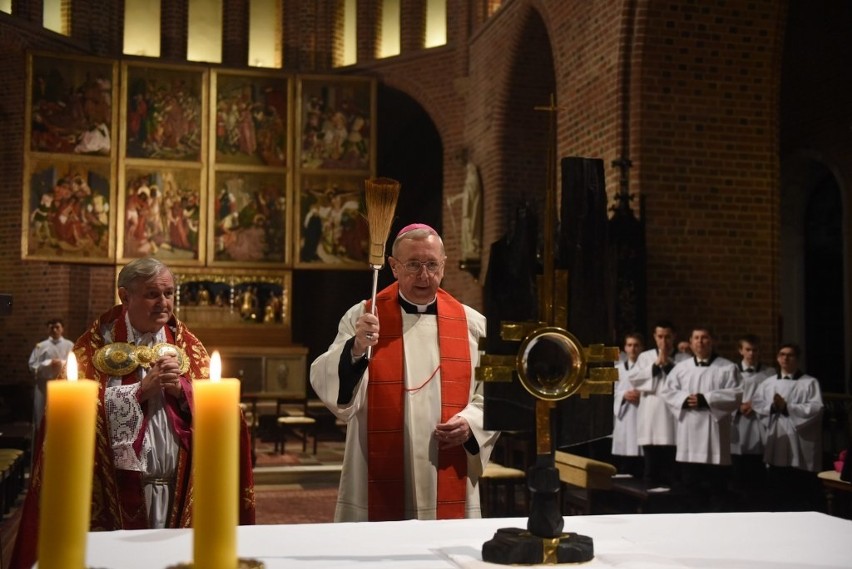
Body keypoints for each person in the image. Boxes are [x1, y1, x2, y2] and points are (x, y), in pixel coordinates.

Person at [11, 257, 256, 569]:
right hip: (115, 489)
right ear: (124, 296)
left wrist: (183, 392)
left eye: (169, 294)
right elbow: (69, 419)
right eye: (153, 294)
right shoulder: (93, 348)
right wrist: (140, 392)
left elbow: (225, 415)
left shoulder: (190, 347)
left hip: (179, 493)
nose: (164, 303)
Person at [310, 224, 499, 522]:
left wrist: (471, 424)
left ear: (444, 265)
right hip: (377, 467)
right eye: (413, 265)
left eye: (432, 264)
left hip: (446, 463)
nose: (424, 275)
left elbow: (495, 391)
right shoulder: (364, 318)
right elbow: (327, 381)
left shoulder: (472, 324)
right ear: (394, 267)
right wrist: (357, 348)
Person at [662, 327, 742, 512]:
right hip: (689, 434)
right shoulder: (681, 368)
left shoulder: (727, 367)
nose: (700, 341)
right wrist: (684, 399)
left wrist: (706, 399)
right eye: (696, 338)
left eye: (704, 338)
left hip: (714, 435)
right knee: (690, 486)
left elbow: (735, 394)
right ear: (690, 342)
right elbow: (668, 392)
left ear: (712, 341)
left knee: (716, 487)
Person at [752, 343, 824, 511]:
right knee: (778, 481)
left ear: (797, 359)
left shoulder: (809, 382)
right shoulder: (768, 383)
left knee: (799, 483)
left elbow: (816, 408)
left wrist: (787, 407)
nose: (785, 358)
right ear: (777, 358)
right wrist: (772, 407)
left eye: (790, 355)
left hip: (800, 437)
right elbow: (757, 403)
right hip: (778, 435)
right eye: (782, 354)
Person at [628, 320, 689, 489]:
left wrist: (668, 365)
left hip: (673, 415)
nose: (664, 341)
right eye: (660, 336)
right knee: (651, 464)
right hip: (651, 413)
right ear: (655, 337)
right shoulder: (645, 357)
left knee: (672, 465)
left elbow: (686, 382)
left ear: (674, 337)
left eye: (668, 337)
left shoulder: (684, 359)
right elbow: (634, 379)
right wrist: (655, 366)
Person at [729, 334, 776, 509]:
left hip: (758, 423)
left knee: (756, 468)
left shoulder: (768, 373)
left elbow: (772, 396)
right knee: (737, 467)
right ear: (740, 350)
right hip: (738, 423)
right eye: (748, 349)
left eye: (755, 350)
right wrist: (737, 406)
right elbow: (725, 394)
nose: (751, 354)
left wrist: (754, 405)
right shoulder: (732, 371)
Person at [27, 317, 74, 436]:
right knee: (42, 416)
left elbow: (75, 364)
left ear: (62, 329)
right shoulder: (40, 346)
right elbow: (32, 366)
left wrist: (62, 363)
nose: (54, 330)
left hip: (63, 386)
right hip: (44, 386)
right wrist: (47, 363)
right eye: (51, 327)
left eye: (57, 327)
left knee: (62, 417)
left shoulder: (70, 345)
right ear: (47, 330)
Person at [611, 332, 645, 478]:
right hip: (624, 415)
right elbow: (611, 392)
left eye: (636, 345)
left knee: (640, 454)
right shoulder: (617, 370)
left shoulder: (647, 368)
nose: (633, 349)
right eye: (630, 345)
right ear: (625, 348)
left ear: (642, 348)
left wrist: (642, 396)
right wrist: (623, 395)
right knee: (624, 454)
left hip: (641, 414)